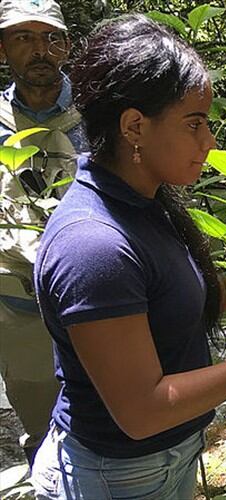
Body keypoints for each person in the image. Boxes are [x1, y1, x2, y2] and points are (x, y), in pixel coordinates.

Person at [28, 14, 226, 499]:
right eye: (194, 123)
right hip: (118, 476)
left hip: (161, 462)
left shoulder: (140, 200)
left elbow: (162, 315)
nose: (210, 140)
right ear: (134, 125)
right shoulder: (94, 246)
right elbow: (144, 412)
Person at [0, 0, 85, 465]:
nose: (40, 50)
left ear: (67, 47)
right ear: (2, 50)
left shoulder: (99, 113)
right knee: (41, 418)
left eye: (51, 38)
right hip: (18, 299)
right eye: (23, 38)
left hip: (96, 289)